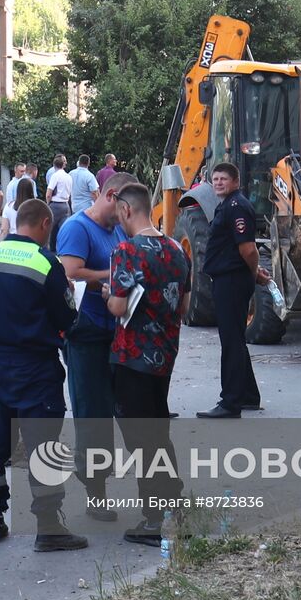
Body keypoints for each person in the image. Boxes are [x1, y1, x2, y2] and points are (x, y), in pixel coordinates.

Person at [0, 198, 87, 552]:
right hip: (36, 367)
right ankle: (49, 527)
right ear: (45, 223)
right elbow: (67, 317)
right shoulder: (45, 262)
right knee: (44, 447)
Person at [105, 182, 190, 544]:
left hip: (131, 357)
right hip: (164, 355)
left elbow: (121, 307)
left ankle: (156, 519)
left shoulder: (126, 251)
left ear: (126, 210)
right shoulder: (175, 248)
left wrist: (109, 296)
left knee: (142, 440)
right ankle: (173, 502)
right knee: (157, 432)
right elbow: (184, 308)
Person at [57, 170, 137, 512]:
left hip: (117, 329)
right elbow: (70, 273)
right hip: (87, 332)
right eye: (124, 207)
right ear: (110, 197)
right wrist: (113, 276)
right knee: (93, 415)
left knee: (129, 409)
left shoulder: (117, 227)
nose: (127, 215)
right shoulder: (77, 227)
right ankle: (96, 494)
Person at [197, 162, 269, 418]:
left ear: (236, 182)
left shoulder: (236, 207)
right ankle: (248, 395)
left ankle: (230, 403)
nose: (218, 183)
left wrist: (254, 272)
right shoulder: (227, 205)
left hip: (231, 280)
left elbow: (248, 248)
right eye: (215, 179)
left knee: (231, 342)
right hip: (230, 277)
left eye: (223, 179)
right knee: (235, 339)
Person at [45, 155, 73, 252]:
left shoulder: (55, 176)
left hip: (55, 204)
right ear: (64, 165)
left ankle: (50, 251)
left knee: (49, 230)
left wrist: (48, 203)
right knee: (64, 230)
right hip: (66, 205)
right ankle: (63, 251)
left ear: (54, 165)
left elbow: (49, 193)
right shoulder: (69, 176)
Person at [0, 177, 36, 241]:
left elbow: (4, 229)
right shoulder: (36, 206)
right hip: (30, 241)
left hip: (13, 240)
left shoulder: (8, 206)